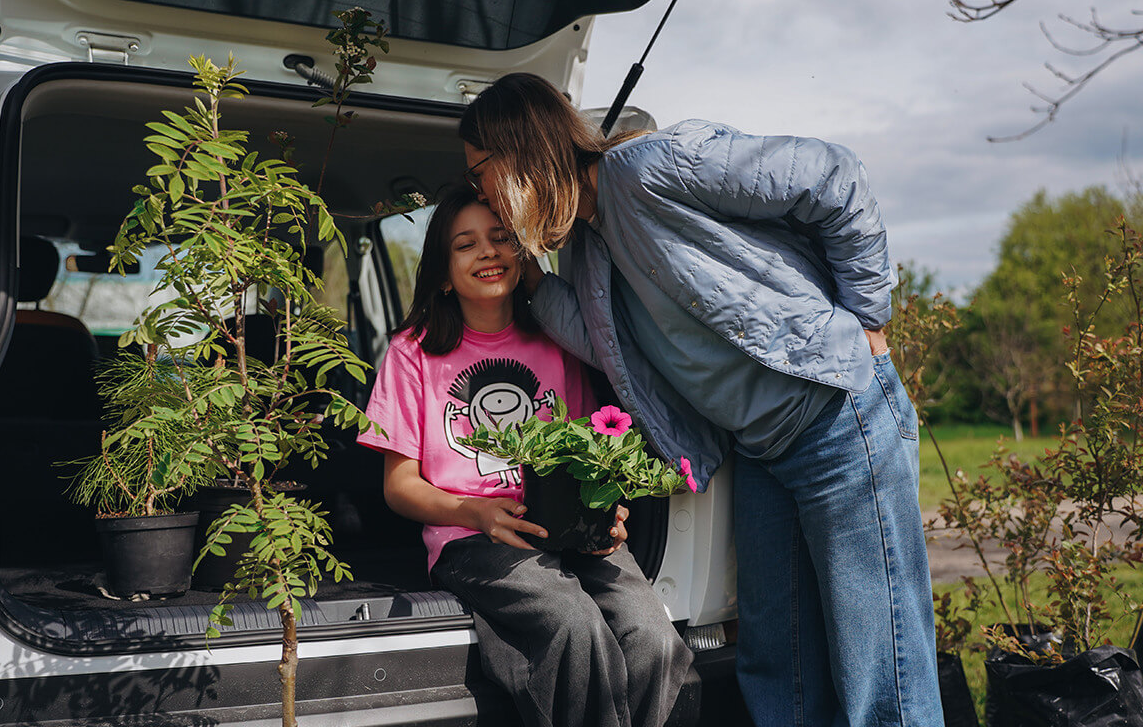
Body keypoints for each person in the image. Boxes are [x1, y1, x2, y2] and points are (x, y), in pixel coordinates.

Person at [457, 72, 944, 727]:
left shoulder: (649, 166)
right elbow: (604, 344)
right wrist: (524, 274)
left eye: (478, 171)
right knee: (778, 667)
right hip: (763, 452)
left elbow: (834, 175)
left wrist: (868, 319)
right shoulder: (588, 246)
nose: (478, 190)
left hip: (836, 414)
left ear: (518, 152)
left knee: (878, 666)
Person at [357, 186, 693, 727]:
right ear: (443, 274)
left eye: (500, 238)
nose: (488, 252)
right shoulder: (412, 351)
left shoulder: (557, 340)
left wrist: (607, 508)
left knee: (652, 635)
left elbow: (590, 454)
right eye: (466, 245)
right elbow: (399, 487)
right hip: (471, 539)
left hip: (566, 529)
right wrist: (475, 513)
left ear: (522, 255)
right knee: (573, 626)